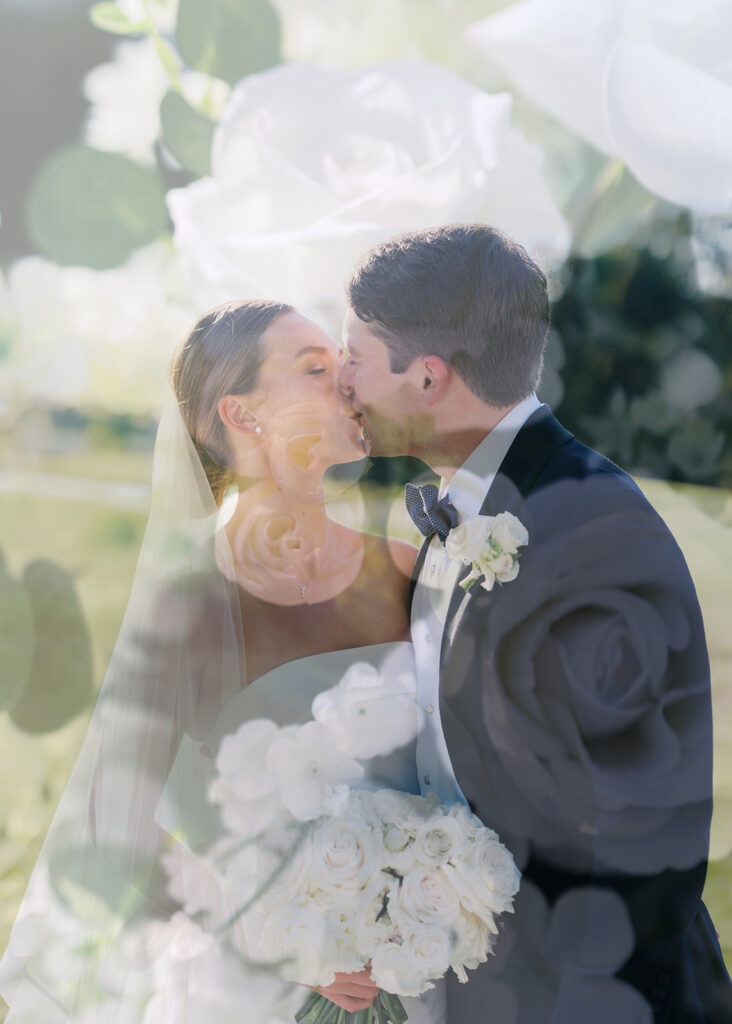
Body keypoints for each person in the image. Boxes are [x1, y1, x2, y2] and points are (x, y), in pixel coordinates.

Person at [0, 299, 451, 1023]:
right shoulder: (190, 607)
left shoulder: (407, 568)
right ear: (243, 416)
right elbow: (115, 830)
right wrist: (277, 936)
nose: (347, 379)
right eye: (314, 368)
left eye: (341, 361)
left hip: (425, 971)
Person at [337, 223, 732, 1022]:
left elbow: (649, 835)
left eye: (355, 358)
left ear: (427, 376)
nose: (342, 382)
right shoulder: (454, 514)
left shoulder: (596, 529)